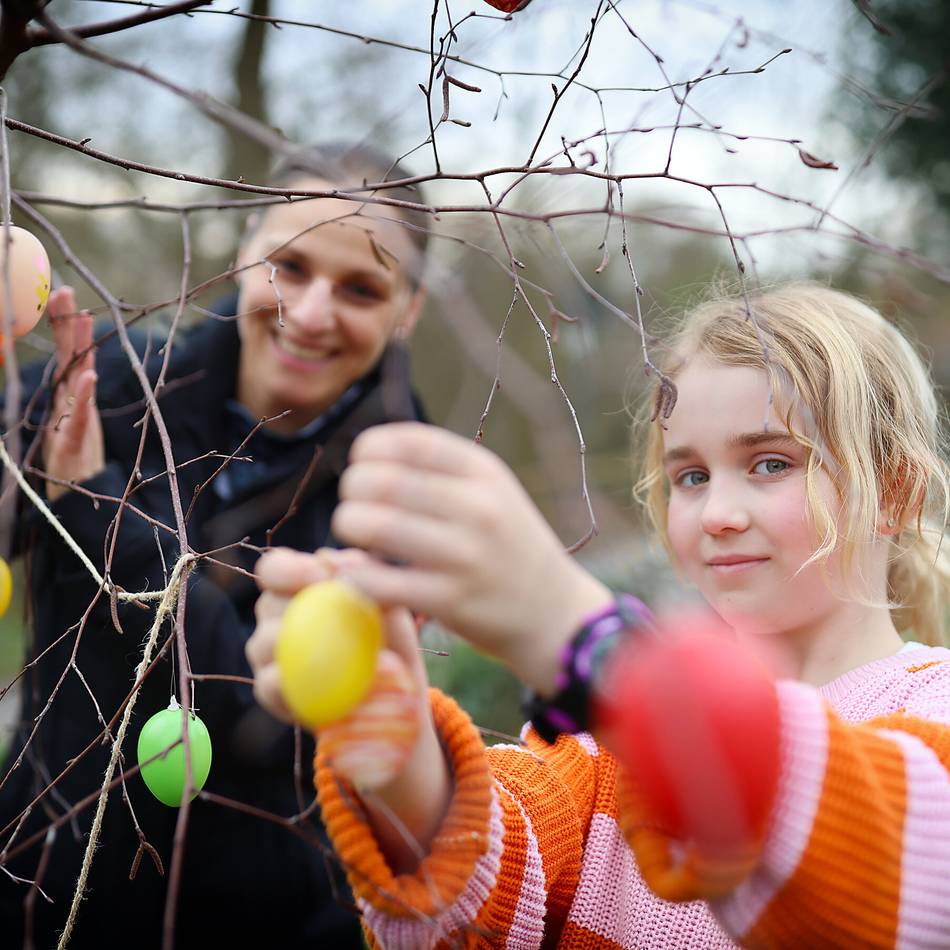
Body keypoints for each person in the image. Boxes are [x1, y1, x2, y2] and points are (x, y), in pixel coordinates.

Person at [248, 282, 950, 948]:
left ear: (895, 491)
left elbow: (903, 878)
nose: (718, 514)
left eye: (770, 463)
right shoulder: (605, 747)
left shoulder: (934, 711)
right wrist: (395, 744)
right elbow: (480, 893)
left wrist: (586, 641)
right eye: (691, 477)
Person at [0, 143, 429, 949]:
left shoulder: (407, 497)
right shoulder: (116, 384)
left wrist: (98, 507)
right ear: (243, 253)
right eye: (289, 266)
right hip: (35, 891)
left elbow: (264, 720)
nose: (311, 313)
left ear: (408, 310)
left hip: (261, 924)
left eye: (362, 289)